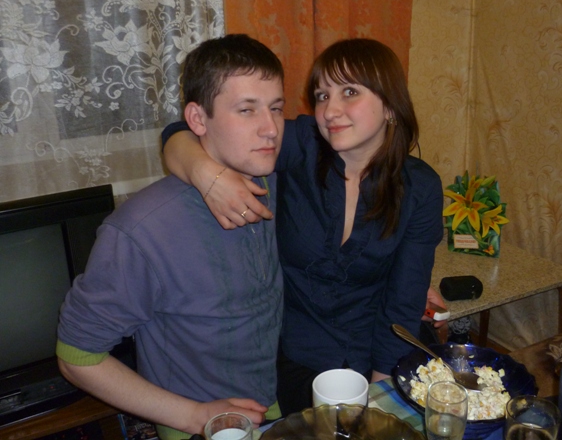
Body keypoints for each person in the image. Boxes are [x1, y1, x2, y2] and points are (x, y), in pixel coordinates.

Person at [162, 38, 445, 415]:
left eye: (349, 92)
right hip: (299, 356)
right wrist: (207, 176)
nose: (330, 111)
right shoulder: (301, 145)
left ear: (390, 105)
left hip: (382, 351)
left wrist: (380, 400)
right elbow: (180, 133)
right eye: (322, 95)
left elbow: (403, 303)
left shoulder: (420, 187)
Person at [56, 34, 286, 440]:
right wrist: (195, 416)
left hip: (271, 402)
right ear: (198, 119)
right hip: (198, 425)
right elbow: (76, 356)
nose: (270, 129)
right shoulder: (140, 230)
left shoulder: (270, 182)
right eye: (247, 110)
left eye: (277, 108)